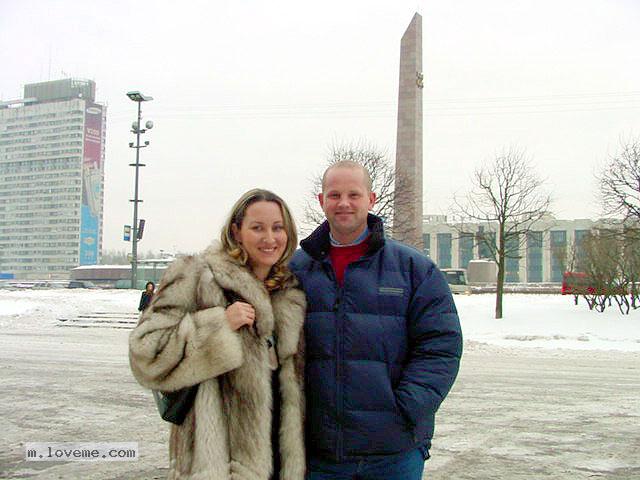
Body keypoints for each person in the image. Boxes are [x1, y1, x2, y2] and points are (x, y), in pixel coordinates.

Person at [290, 161, 463, 480]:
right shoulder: (295, 270)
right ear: (321, 201)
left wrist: (406, 407)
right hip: (318, 455)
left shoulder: (414, 269)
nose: (344, 203)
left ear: (371, 199)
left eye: (353, 194)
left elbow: (441, 346)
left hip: (393, 453)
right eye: (334, 195)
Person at [129, 189, 306, 480]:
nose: (270, 238)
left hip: (279, 463)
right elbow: (146, 354)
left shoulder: (290, 292)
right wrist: (217, 326)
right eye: (257, 228)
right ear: (236, 232)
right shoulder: (197, 275)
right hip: (216, 466)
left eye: (278, 228)